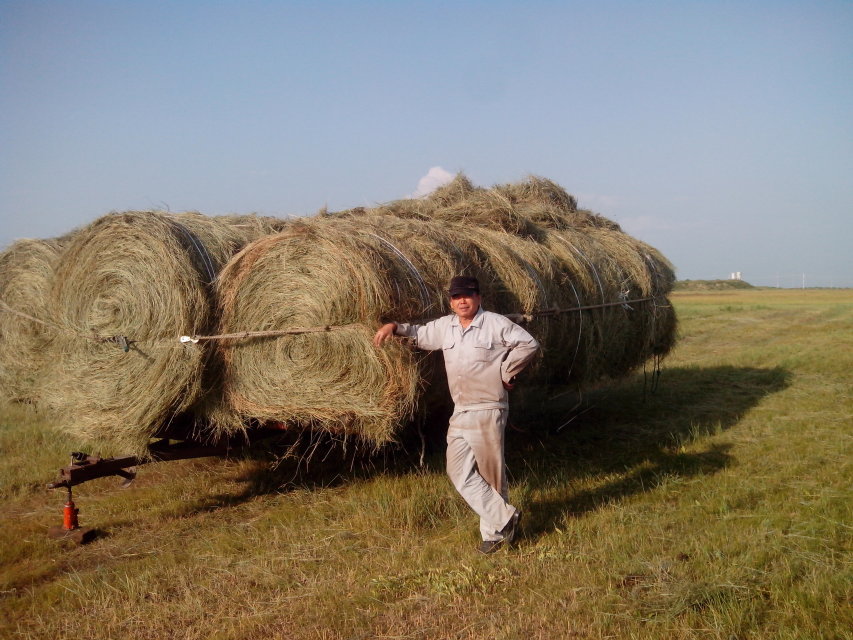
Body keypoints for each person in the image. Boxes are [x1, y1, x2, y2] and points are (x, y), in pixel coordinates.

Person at [373, 275, 540, 554]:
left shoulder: (495, 323)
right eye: (456, 297)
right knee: (456, 469)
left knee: (491, 473)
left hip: (488, 407)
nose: (462, 301)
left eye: (468, 295)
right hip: (461, 410)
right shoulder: (446, 326)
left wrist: (506, 371)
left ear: (478, 297)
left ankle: (494, 535)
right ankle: (505, 517)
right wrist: (394, 326)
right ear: (451, 301)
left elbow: (528, 344)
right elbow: (418, 333)